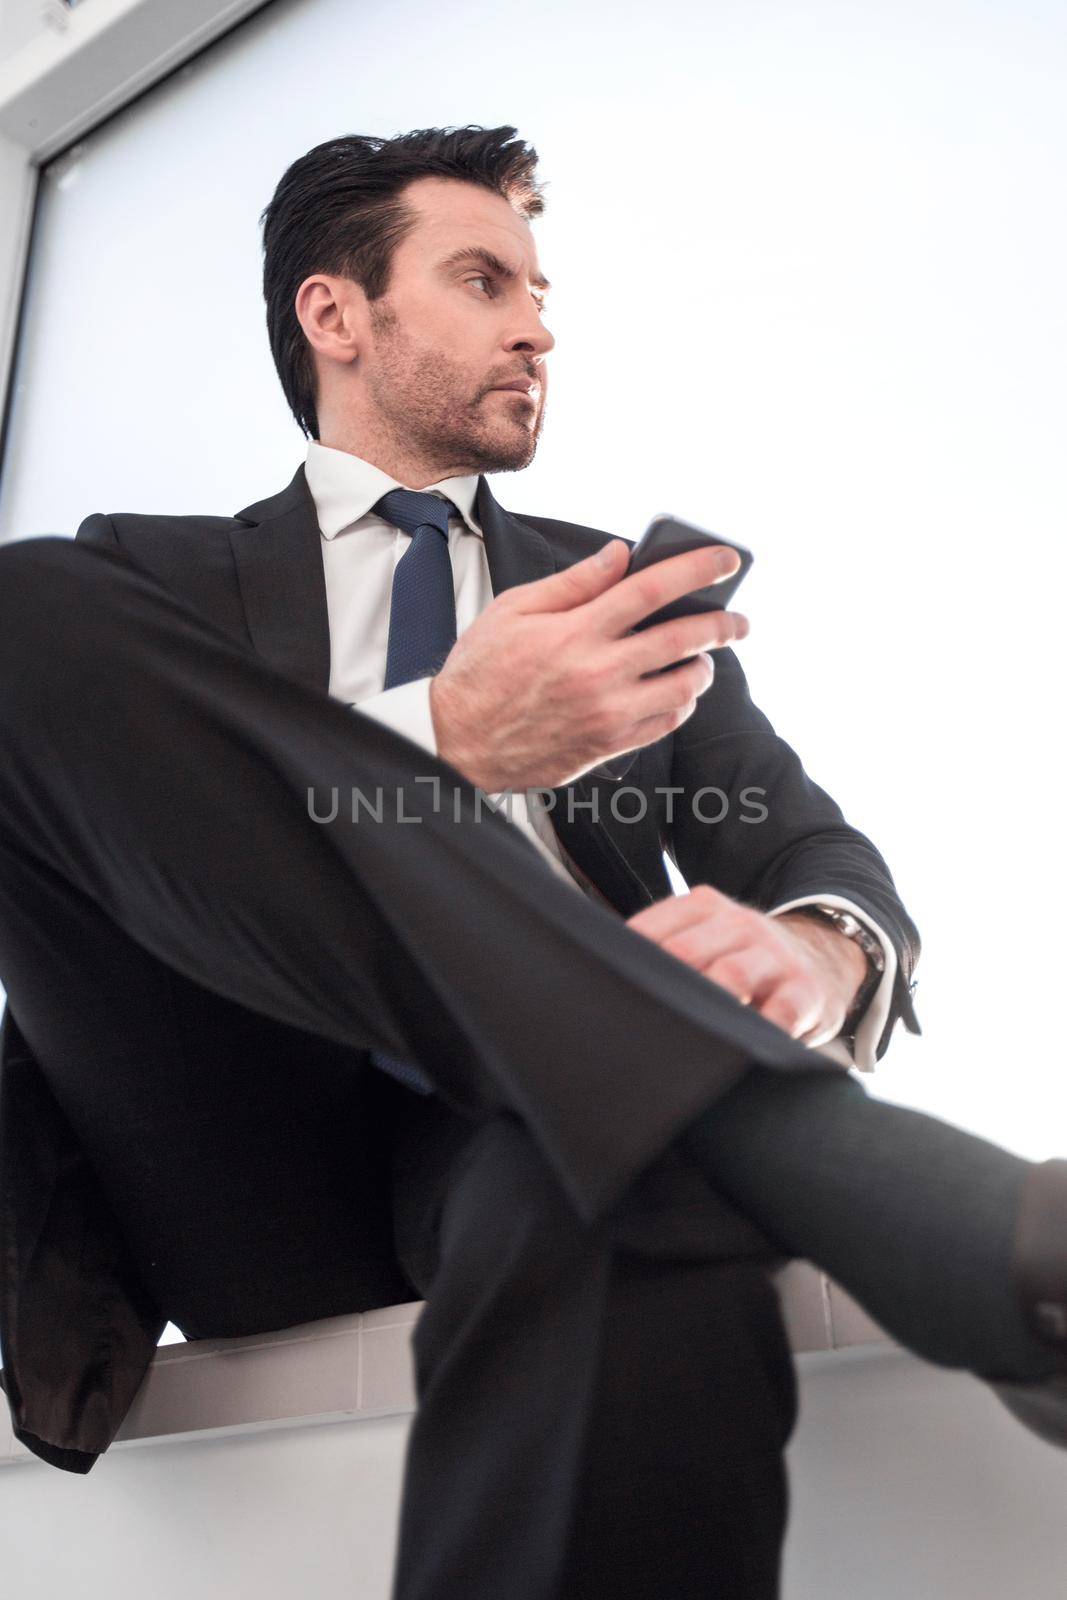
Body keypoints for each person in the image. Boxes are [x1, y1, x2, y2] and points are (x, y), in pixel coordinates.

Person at [0, 123, 1064, 1600]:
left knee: (610, 1177)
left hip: (521, 1137)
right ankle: (886, 1192)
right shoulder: (156, 580)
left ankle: (698, 1108)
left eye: (542, 289)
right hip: (234, 1120)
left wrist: (818, 949)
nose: (539, 326)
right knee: (20, 618)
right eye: (485, 278)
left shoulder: (612, 592)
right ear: (337, 315)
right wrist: (436, 737)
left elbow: (809, 845)